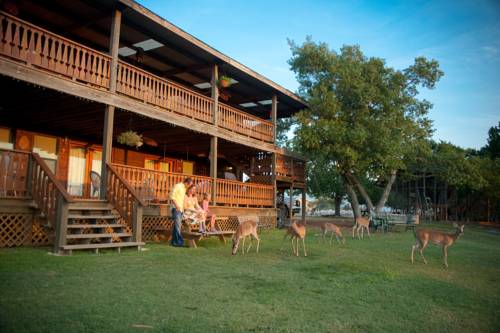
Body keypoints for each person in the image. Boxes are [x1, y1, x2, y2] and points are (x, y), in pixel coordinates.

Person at [170, 177, 193, 247]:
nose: (189, 187)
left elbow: (182, 200)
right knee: (178, 226)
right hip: (176, 209)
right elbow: (172, 197)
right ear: (186, 183)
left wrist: (182, 209)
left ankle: (174, 242)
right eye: (189, 185)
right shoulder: (177, 186)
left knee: (176, 226)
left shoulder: (184, 189)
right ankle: (180, 243)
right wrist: (177, 206)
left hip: (181, 210)